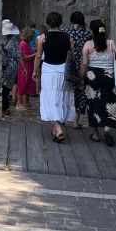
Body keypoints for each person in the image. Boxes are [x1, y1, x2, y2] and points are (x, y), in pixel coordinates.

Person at [80, 19, 116, 145]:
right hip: (109, 76)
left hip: (93, 76)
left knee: (93, 103)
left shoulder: (88, 45)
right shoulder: (111, 44)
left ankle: (95, 134)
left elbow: (84, 64)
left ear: (92, 32)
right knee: (111, 101)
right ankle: (107, 128)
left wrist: (81, 77)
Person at [35, 11, 75, 142]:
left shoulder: (43, 37)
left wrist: (35, 71)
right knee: (61, 97)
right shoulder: (68, 37)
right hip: (63, 69)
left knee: (50, 97)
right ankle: (55, 129)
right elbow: (71, 54)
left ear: (48, 23)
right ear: (60, 22)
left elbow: (38, 56)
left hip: (48, 70)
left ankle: (58, 128)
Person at [64, 11, 92, 128]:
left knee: (65, 92)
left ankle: (62, 119)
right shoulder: (87, 34)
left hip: (68, 65)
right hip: (82, 66)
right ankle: (76, 121)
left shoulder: (65, 32)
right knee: (80, 93)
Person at [0, 20, 21, 115]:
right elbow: (18, 56)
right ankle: (5, 107)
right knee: (7, 87)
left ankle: (4, 106)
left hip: (1, 66)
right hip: (11, 66)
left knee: (2, 87)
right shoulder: (14, 41)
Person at [16, 26, 37, 109]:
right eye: (31, 37)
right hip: (24, 67)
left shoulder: (25, 44)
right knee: (22, 85)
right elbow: (26, 57)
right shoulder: (23, 44)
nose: (32, 38)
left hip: (27, 67)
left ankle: (25, 103)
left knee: (26, 85)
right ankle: (19, 104)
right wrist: (36, 54)